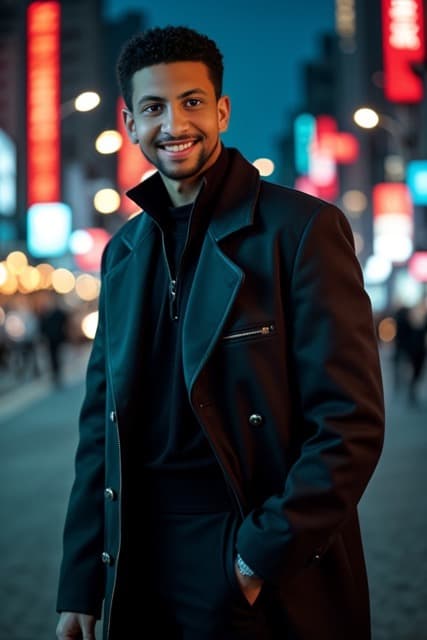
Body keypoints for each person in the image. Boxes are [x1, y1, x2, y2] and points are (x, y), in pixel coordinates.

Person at [55, 25, 385, 640]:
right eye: (153, 107)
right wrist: (81, 581)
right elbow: (100, 430)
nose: (174, 122)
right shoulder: (124, 250)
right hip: (141, 556)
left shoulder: (301, 229)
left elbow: (349, 422)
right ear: (129, 122)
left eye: (193, 101)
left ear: (223, 110)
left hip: (252, 547)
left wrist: (256, 557)